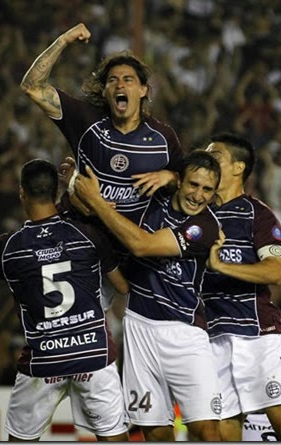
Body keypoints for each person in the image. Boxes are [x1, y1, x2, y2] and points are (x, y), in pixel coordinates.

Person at [0, 158, 130, 441]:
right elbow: (121, 285)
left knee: (21, 440)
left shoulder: (8, 247)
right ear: (56, 193)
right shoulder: (87, 234)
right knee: (114, 438)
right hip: (93, 355)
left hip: (44, 360)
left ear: (21, 192)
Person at [74, 150, 223, 441]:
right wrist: (75, 186)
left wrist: (95, 202)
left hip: (185, 334)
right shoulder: (150, 201)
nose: (198, 195)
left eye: (208, 190)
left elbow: (141, 245)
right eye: (193, 184)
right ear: (179, 181)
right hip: (139, 328)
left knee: (206, 431)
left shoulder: (205, 227)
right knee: (155, 432)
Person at [202, 132, 281, 441]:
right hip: (213, 336)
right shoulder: (198, 214)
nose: (207, 161)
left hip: (258, 334)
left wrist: (221, 266)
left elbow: (275, 271)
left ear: (238, 167)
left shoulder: (258, 215)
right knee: (223, 430)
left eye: (216, 156)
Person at [20, 22, 183, 227]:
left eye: (128, 79)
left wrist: (170, 176)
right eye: (112, 80)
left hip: (133, 247)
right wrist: (64, 39)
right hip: (81, 236)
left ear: (144, 90)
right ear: (105, 91)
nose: (120, 84)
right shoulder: (86, 119)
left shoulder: (163, 138)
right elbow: (31, 86)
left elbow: (188, 185)